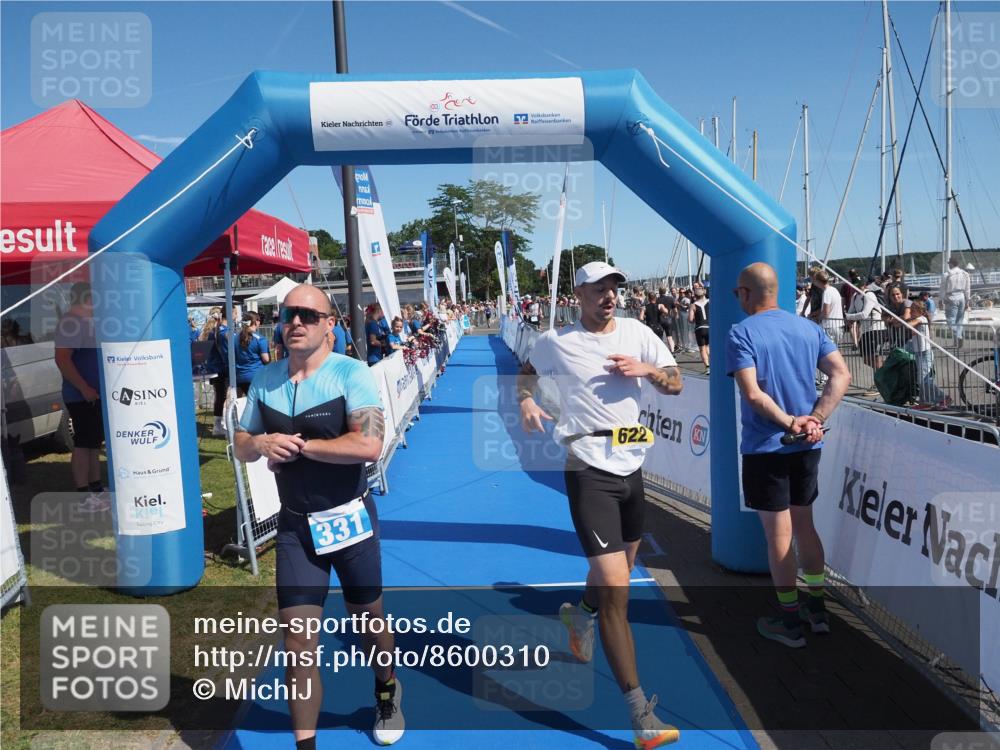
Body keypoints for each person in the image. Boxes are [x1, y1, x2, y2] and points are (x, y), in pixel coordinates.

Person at [518, 261, 683, 749]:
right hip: (588, 466)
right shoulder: (555, 341)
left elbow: (676, 382)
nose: (609, 296)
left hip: (632, 466)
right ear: (579, 293)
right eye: (599, 289)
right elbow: (525, 374)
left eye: (615, 288)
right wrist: (527, 402)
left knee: (621, 571)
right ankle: (639, 713)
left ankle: (579, 615)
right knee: (618, 590)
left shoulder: (637, 332)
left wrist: (649, 370)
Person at [233, 284, 404, 747]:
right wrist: (262, 443)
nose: (296, 322)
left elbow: (369, 444)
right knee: (297, 642)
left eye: (309, 315)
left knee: (368, 619)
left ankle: (386, 687)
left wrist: (303, 448)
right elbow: (241, 444)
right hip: (295, 528)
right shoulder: (265, 379)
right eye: (289, 313)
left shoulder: (352, 374)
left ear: (330, 325)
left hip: (349, 520)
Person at [727, 262, 851, 648]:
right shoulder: (808, 328)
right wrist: (813, 419)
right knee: (805, 527)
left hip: (770, 447)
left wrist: (789, 424)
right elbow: (842, 374)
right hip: (807, 445)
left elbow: (752, 394)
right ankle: (817, 610)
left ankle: (789, 620)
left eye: (737, 292)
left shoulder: (740, 332)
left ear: (745, 293)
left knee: (778, 536)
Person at [54, 282, 109, 512]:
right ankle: (84, 495)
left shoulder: (86, 323)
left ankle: (95, 488)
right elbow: (62, 359)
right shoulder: (71, 323)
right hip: (81, 395)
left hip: (93, 394)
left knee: (93, 442)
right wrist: (84, 387)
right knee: (84, 443)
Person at [906, 301, 947, 409]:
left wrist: (906, 321)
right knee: (923, 380)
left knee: (924, 380)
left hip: (925, 354)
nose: (910, 311)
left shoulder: (921, 319)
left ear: (920, 311)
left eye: (913, 309)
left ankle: (943, 397)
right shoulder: (918, 320)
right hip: (919, 353)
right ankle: (925, 401)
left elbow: (909, 325)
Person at [201, 308, 229, 437]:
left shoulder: (208, 331)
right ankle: (220, 425)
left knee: (220, 396)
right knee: (223, 396)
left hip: (213, 368)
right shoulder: (216, 332)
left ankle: (219, 424)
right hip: (219, 368)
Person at [234, 312, 271, 397]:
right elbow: (266, 359)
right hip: (256, 377)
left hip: (240, 377)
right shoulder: (260, 339)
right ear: (256, 322)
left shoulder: (235, 337)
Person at [940, 258, 971, 348]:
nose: (948, 265)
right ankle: (957, 340)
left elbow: (942, 289)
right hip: (961, 297)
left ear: (951, 264)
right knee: (959, 320)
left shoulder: (946, 275)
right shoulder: (965, 274)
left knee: (950, 320)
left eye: (949, 263)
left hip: (951, 297)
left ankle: (958, 336)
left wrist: (940, 300)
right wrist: (967, 300)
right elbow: (967, 288)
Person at [688, 282, 710, 373]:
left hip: (699, 328)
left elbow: (690, 319)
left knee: (702, 349)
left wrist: (694, 319)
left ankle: (707, 367)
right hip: (709, 326)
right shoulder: (710, 301)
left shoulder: (693, 305)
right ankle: (714, 364)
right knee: (709, 347)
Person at [655, 285, 677, 353]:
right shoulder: (670, 298)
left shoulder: (657, 300)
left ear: (659, 292)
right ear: (666, 291)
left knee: (660, 337)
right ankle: (672, 351)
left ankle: (662, 352)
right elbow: (675, 310)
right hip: (668, 319)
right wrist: (676, 316)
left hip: (660, 319)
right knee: (669, 336)